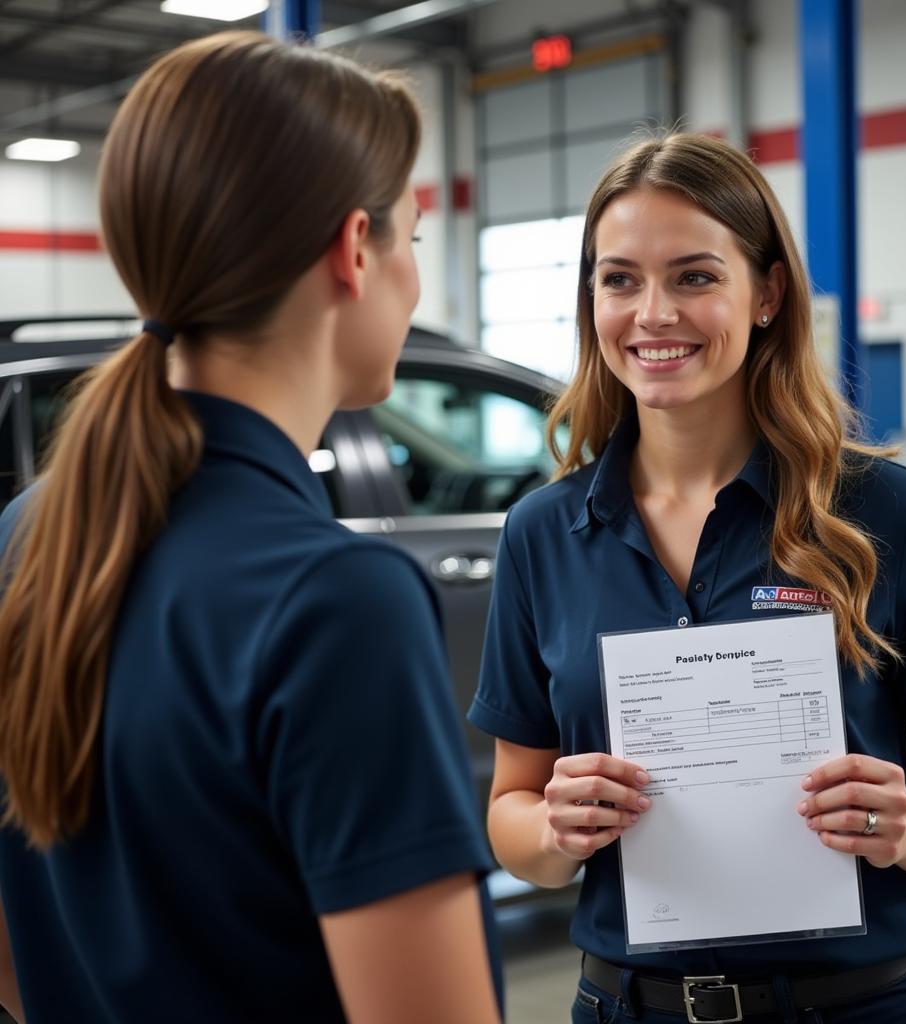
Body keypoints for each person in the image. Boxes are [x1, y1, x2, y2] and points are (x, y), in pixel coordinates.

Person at [0, 31, 502, 1024]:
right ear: (354, 252)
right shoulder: (335, 601)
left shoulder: (28, 535)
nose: (413, 284)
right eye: (409, 238)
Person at [470, 132, 906, 1023]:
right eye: (619, 279)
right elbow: (513, 816)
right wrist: (550, 830)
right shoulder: (544, 533)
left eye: (694, 276)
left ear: (765, 293)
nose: (652, 313)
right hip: (627, 1006)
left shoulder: (888, 514)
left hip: (859, 1003)